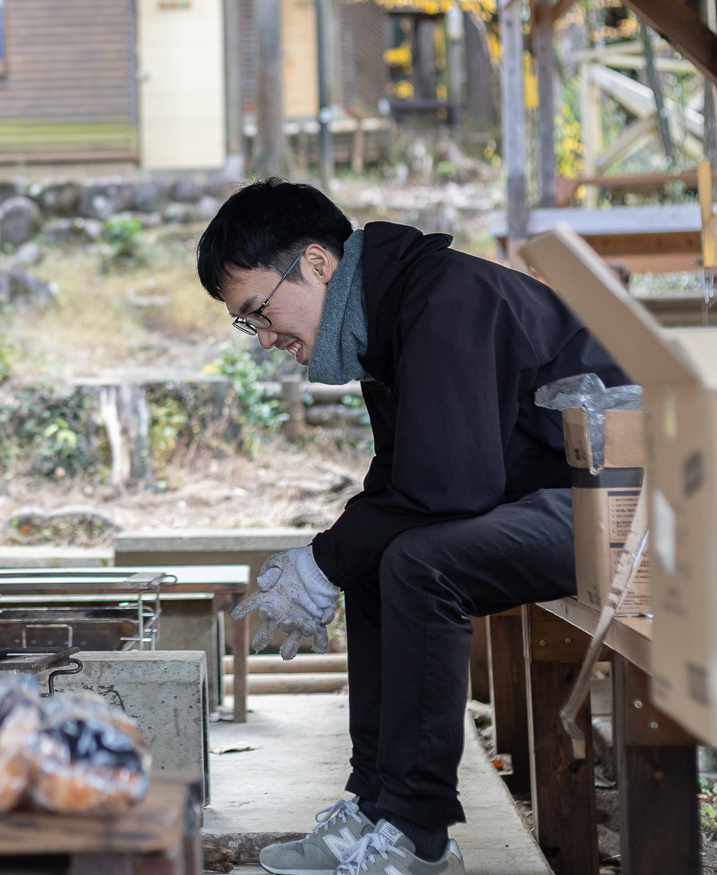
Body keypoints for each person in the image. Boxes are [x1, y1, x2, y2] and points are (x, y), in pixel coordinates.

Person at [197, 180, 625, 875]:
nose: (267, 339)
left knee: (419, 562)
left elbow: (450, 483)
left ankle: (419, 834)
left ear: (316, 263)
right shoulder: (385, 313)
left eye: (259, 313)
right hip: (543, 498)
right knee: (378, 556)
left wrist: (322, 560)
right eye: (250, 326)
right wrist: (332, 558)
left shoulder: (441, 300)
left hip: (615, 508)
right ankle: (373, 804)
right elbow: (403, 478)